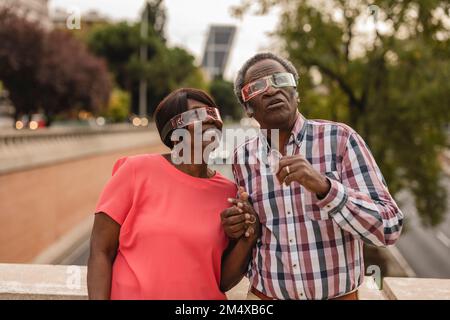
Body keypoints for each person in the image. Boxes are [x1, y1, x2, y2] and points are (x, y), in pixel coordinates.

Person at [221, 52, 404, 300]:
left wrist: (326, 188)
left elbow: (389, 228)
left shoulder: (340, 140)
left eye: (279, 80)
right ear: (248, 108)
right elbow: (251, 233)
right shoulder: (242, 159)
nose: (270, 90)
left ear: (297, 93)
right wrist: (240, 227)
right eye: (256, 87)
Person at [87, 88, 259, 300]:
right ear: (174, 130)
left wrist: (249, 235)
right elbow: (100, 250)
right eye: (197, 114)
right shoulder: (135, 171)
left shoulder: (229, 192)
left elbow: (223, 280)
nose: (210, 120)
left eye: (213, 114)